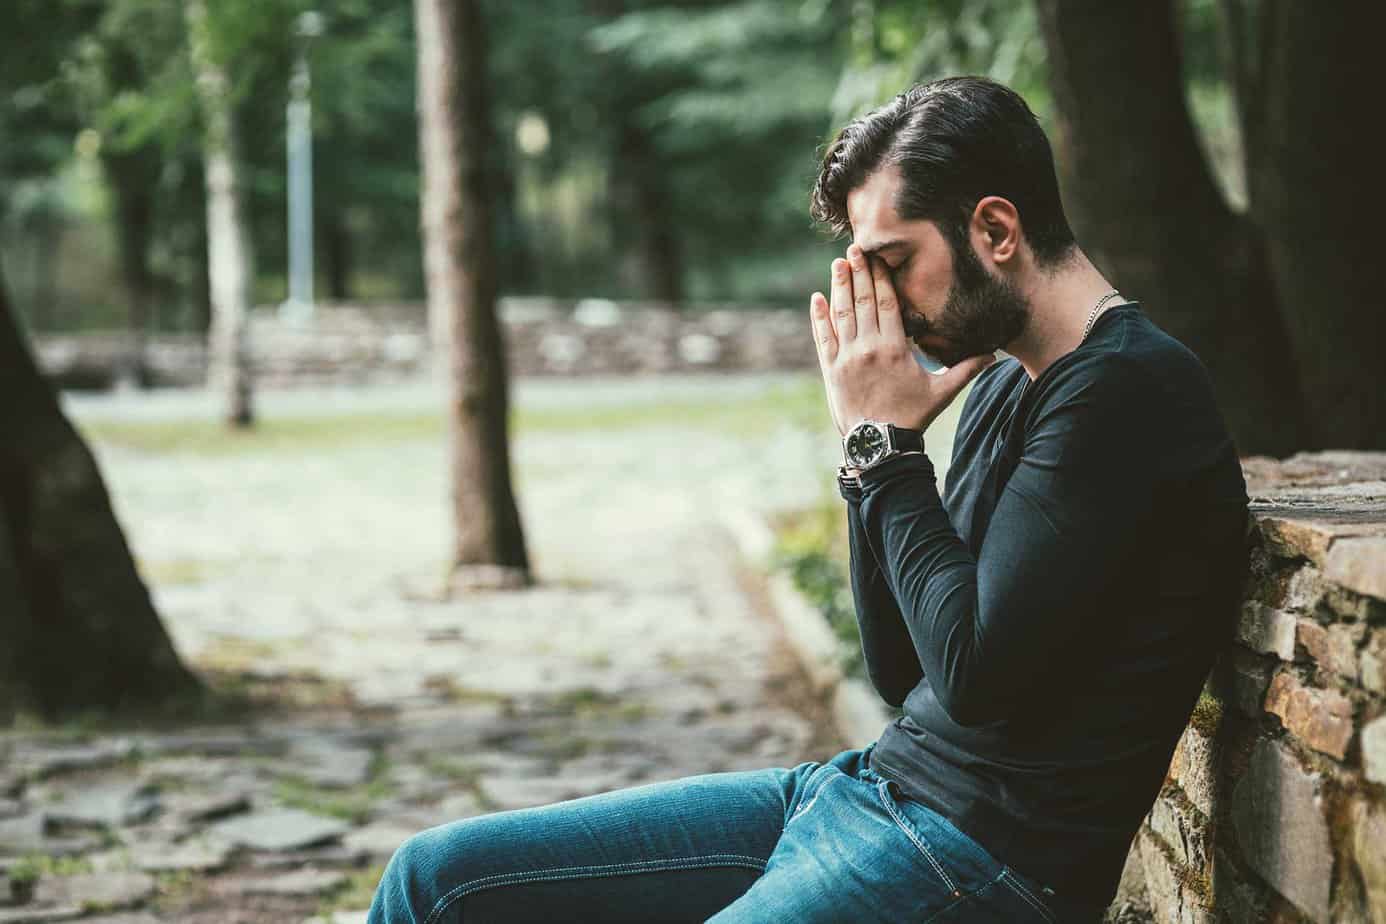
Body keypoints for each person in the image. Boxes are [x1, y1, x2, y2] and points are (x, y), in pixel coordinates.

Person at [367, 75, 1251, 924]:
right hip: (861, 789)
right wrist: (863, 452)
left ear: (995, 229)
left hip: (977, 857)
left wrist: (889, 448)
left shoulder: (1126, 389)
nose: (884, 308)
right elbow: (902, 669)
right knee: (436, 881)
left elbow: (976, 678)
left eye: (894, 263)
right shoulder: (1005, 384)